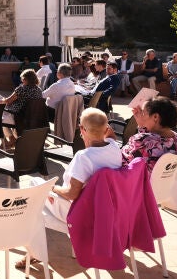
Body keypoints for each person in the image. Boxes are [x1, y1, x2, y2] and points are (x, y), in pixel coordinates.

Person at [16, 108, 122, 269]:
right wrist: (103, 127)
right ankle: (33, 250)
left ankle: (34, 252)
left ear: (81, 130)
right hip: (104, 210)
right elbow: (111, 136)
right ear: (106, 129)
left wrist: (53, 188)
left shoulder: (84, 158)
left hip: (77, 212)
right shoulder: (115, 148)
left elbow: (72, 194)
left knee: (34, 189)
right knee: (37, 191)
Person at [121, 97, 177, 173]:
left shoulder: (142, 140)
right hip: (165, 184)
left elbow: (122, 160)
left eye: (143, 113)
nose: (141, 116)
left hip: (141, 183)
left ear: (155, 117)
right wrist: (142, 127)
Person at [0, 69, 43, 149]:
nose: (22, 81)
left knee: (0, 118)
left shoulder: (21, 89)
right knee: (7, 116)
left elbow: (8, 101)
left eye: (23, 79)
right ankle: (14, 139)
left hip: (19, 117)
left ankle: (11, 140)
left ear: (25, 79)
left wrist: (1, 101)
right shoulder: (39, 90)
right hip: (33, 117)